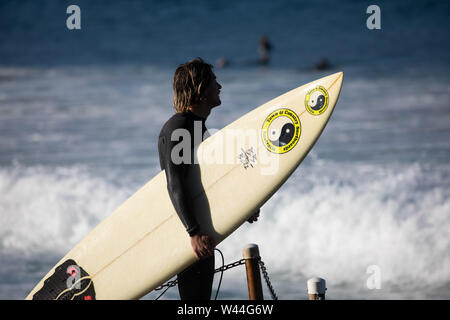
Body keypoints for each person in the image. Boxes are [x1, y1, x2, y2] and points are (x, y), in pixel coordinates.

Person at [158, 58, 260, 300]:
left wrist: (242, 208)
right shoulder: (181, 128)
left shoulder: (196, 127)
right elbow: (176, 183)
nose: (220, 86)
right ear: (200, 89)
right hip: (191, 233)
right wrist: (192, 231)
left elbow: (207, 184)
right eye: (215, 81)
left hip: (199, 229)